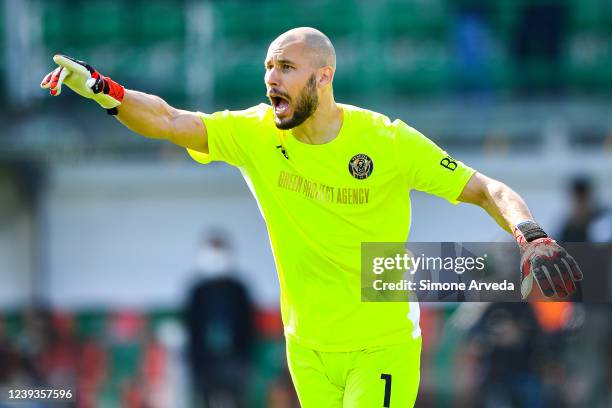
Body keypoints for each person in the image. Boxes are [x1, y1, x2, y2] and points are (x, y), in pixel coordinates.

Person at [41, 27, 583, 407]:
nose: (271, 78)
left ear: (323, 78)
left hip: (381, 343)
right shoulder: (253, 132)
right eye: (268, 67)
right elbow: (166, 120)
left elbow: (486, 187)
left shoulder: (387, 141)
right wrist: (101, 89)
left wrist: (529, 234)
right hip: (306, 348)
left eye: (286, 67)